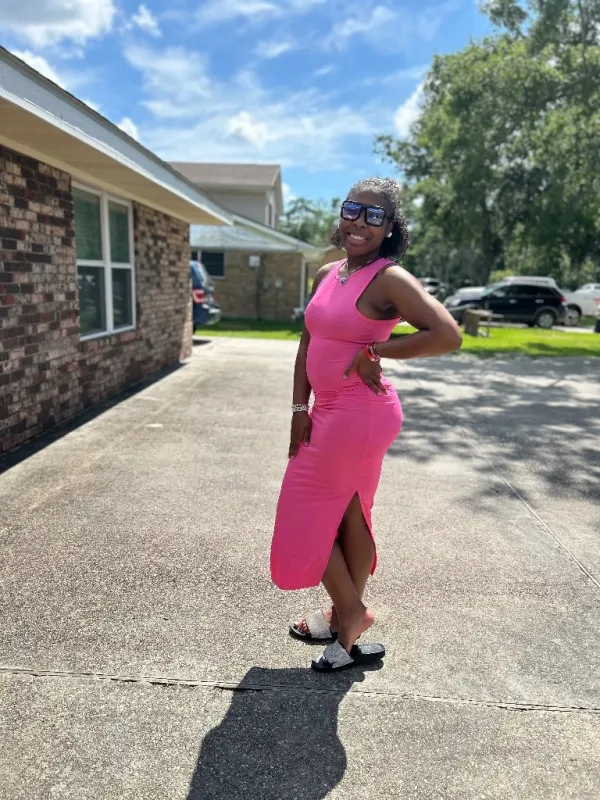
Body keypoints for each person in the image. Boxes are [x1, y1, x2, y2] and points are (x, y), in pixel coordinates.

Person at [270, 178, 462, 672]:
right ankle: (344, 619)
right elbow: (307, 343)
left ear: (390, 228)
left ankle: (351, 613)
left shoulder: (389, 279)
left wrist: (375, 350)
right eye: (353, 210)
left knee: (303, 513)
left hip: (359, 414)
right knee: (350, 516)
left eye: (375, 216)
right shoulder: (327, 273)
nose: (360, 222)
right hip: (329, 411)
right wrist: (299, 410)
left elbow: (447, 334)